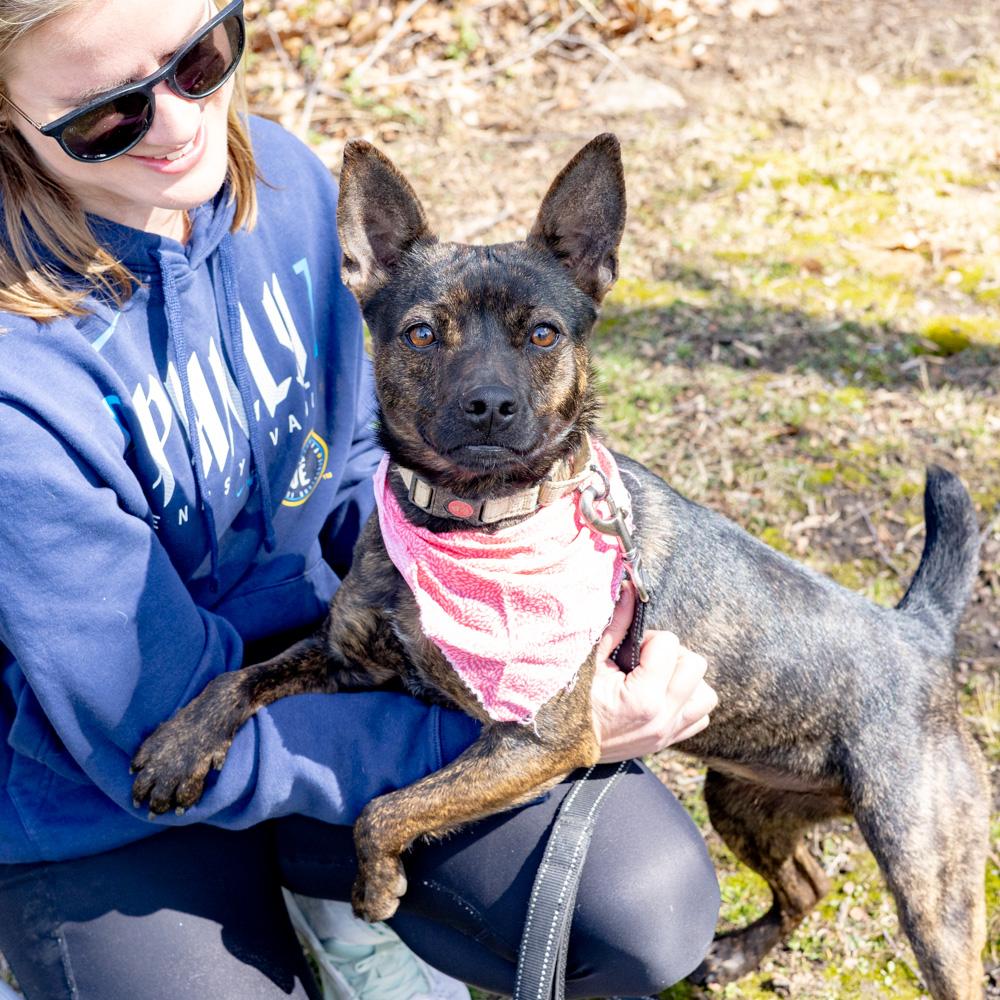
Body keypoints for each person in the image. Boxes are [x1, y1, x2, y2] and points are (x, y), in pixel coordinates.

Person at [0, 1, 721, 997]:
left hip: (337, 671)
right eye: (106, 115)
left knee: (643, 906)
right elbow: (137, 713)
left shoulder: (283, 183)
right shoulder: (18, 379)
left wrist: (517, 619)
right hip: (114, 783)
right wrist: (513, 736)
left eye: (199, 59)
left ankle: (336, 897)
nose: (177, 121)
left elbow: (351, 462)